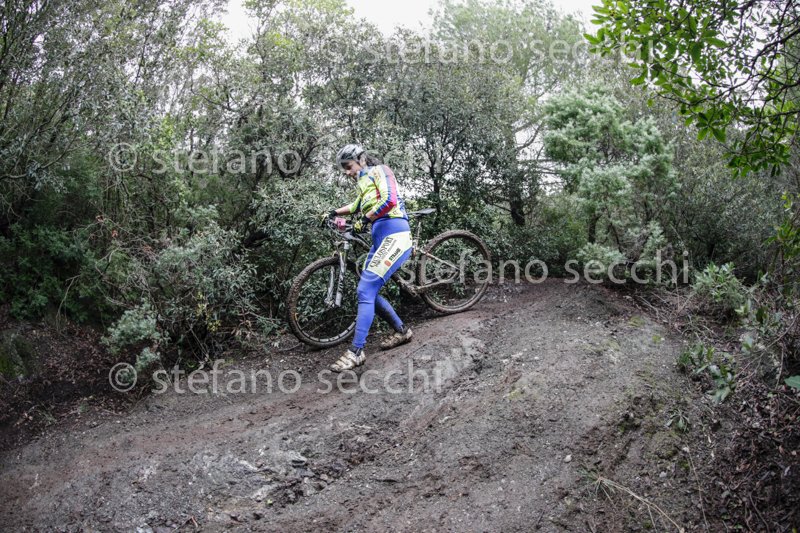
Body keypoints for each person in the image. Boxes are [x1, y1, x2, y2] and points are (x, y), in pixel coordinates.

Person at [325, 144, 414, 372]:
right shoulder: (364, 181)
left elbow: (390, 200)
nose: (347, 172)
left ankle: (356, 352)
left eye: (349, 166)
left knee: (365, 289)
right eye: (344, 169)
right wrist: (334, 212)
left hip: (395, 234)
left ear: (361, 159)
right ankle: (402, 331)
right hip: (381, 239)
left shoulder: (380, 170)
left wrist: (365, 219)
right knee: (367, 290)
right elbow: (356, 205)